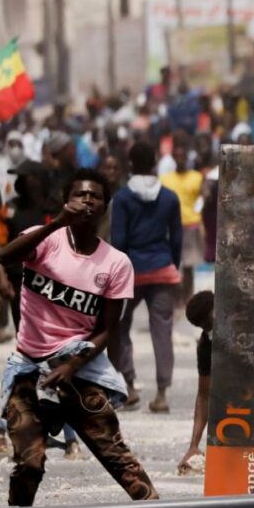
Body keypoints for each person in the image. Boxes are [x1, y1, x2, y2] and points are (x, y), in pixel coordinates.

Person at [0, 168, 158, 506]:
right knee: (28, 463)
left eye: (94, 196)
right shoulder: (44, 240)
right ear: (66, 201)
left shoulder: (116, 263)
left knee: (117, 457)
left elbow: (106, 330)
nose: (86, 200)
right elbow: (5, 256)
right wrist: (56, 223)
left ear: (104, 207)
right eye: (79, 194)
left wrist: (72, 366)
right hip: (29, 370)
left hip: (79, 370)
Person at [110, 142, 183, 413]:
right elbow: (176, 239)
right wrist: (171, 266)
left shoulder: (123, 198)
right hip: (162, 269)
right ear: (154, 163)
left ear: (129, 164)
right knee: (162, 332)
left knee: (119, 328)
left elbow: (118, 240)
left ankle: (129, 386)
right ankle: (162, 393)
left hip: (130, 272)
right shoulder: (169, 197)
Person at [160, 137, 204, 307]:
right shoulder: (165, 179)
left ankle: (188, 299)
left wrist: (198, 211)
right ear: (173, 157)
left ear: (186, 157)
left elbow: (202, 197)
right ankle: (176, 299)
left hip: (191, 225)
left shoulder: (197, 177)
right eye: (176, 156)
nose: (180, 159)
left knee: (189, 266)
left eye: (182, 156)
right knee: (173, 265)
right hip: (171, 226)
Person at [178, 290, 213, 475]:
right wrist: (194, 446)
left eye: (211, 323)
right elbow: (205, 394)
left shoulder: (245, 322)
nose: (211, 331)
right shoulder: (207, 345)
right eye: (206, 327)